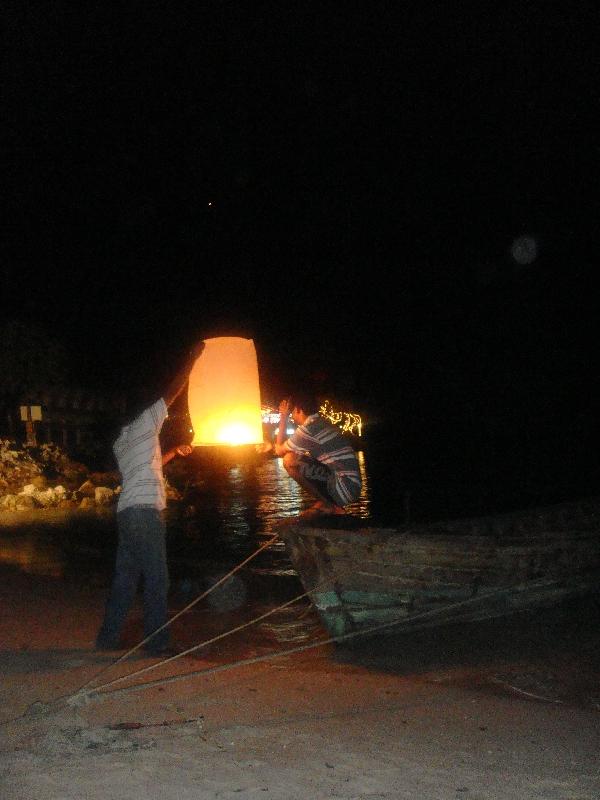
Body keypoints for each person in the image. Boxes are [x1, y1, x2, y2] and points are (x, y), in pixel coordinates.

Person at [95, 341, 205, 655]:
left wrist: (172, 451)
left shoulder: (122, 441)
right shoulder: (146, 423)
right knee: (158, 578)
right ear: (142, 410)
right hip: (144, 514)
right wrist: (191, 359)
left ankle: (108, 638)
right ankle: (156, 643)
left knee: (125, 580)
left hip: (127, 513)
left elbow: (144, 465)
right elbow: (173, 391)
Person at [260, 393, 361, 517]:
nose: (291, 416)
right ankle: (326, 503)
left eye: (292, 412)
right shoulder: (320, 423)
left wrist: (283, 417)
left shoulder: (309, 428)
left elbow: (280, 450)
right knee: (296, 457)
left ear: (298, 410)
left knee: (289, 460)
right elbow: (285, 449)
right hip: (351, 485)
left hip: (345, 487)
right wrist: (271, 446)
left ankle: (331, 506)